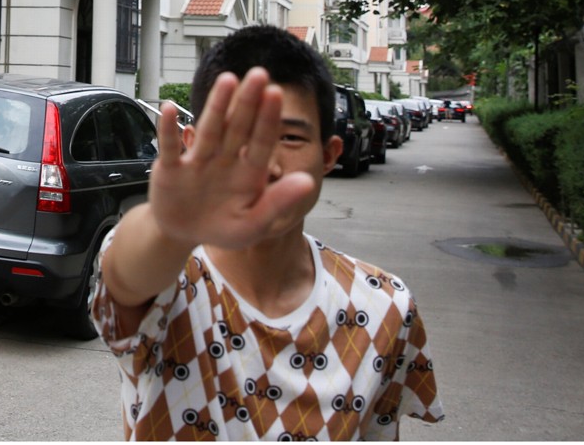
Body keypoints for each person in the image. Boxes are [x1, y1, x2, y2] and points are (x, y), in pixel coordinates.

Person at [91, 25, 442, 440]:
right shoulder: (174, 281)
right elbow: (128, 275)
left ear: (329, 155)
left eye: (290, 137)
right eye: (235, 135)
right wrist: (169, 227)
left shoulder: (387, 306)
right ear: (192, 144)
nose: (264, 165)